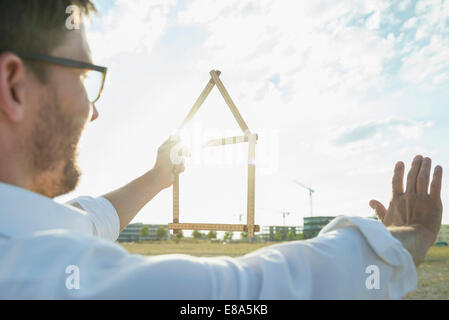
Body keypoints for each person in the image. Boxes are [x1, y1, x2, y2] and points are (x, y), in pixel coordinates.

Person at [0, 1, 443, 299]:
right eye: (83, 77)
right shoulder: (38, 276)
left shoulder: (24, 239)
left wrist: (158, 177)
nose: (91, 111)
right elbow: (242, 292)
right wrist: (401, 241)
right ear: (15, 85)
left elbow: (87, 220)